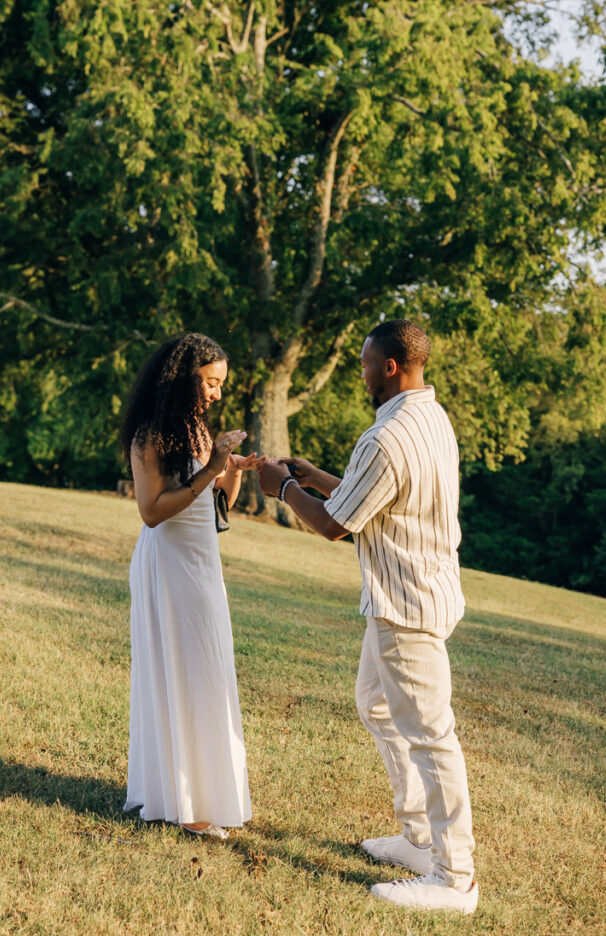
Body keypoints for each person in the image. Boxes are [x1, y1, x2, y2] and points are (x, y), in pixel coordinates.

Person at [257, 319, 478, 914]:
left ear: (389, 367)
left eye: (363, 363)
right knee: (375, 705)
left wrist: (280, 489)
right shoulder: (430, 418)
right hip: (422, 593)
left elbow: (335, 524)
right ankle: (417, 839)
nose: (359, 373)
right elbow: (372, 495)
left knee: (433, 738)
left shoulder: (384, 437)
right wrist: (312, 476)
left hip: (405, 607)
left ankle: (455, 879)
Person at [120, 332, 261, 840]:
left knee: (209, 671)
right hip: (169, 564)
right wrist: (211, 469)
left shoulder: (198, 430)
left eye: (222, 384)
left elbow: (215, 498)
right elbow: (153, 512)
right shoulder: (150, 435)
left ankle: (206, 791)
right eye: (211, 382)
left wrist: (234, 471)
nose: (218, 394)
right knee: (182, 672)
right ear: (184, 377)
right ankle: (184, 802)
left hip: (204, 563)